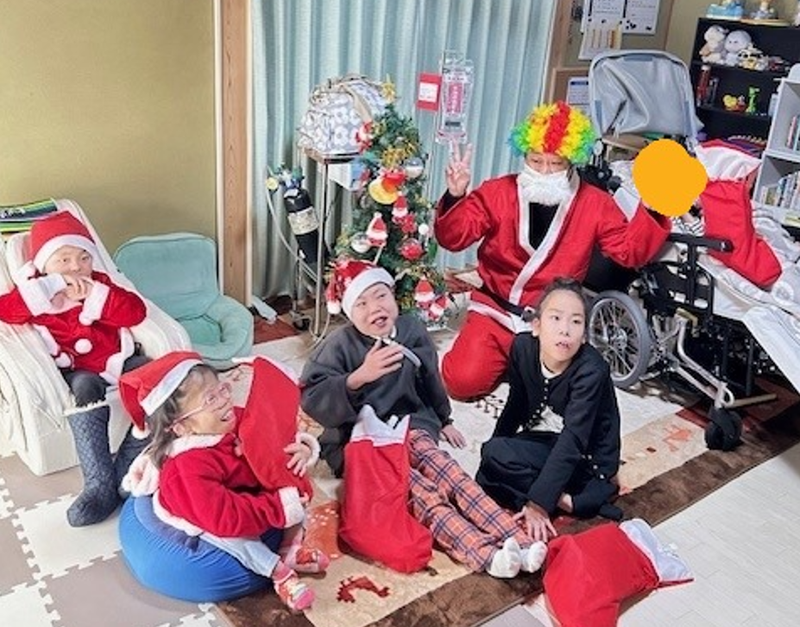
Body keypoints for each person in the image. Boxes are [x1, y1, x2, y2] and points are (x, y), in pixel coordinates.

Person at [300, 259, 547, 578]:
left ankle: (519, 540)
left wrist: (444, 419)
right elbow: (312, 396)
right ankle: (485, 554)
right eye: (361, 303)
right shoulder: (337, 347)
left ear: (393, 296)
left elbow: (430, 377)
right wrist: (357, 378)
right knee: (422, 493)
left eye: (381, 296)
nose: (375, 308)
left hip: (410, 422)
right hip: (362, 441)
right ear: (348, 311)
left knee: (450, 473)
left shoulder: (411, 329)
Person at [434, 101, 671, 400]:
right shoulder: (497, 191)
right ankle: (502, 357)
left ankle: (526, 362)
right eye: (536, 161)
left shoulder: (595, 203)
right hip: (495, 310)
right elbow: (452, 239)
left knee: (565, 395)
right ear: (524, 155)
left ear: (571, 161)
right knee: (461, 382)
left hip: (553, 319)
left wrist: (651, 208)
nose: (544, 171)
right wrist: (456, 195)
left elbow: (629, 253)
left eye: (555, 163)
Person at [118, 351, 328, 612]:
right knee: (238, 538)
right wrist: (278, 507)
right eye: (210, 399)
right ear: (181, 427)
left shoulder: (228, 419)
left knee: (291, 479)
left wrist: (302, 450)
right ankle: (280, 574)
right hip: (205, 516)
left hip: (235, 495)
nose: (224, 401)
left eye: (222, 390)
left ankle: (291, 548)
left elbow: (275, 436)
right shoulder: (186, 469)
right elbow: (225, 518)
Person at [0, 210, 150, 527]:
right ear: (45, 265)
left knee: (154, 376)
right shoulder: (36, 291)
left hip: (117, 358)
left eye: (84, 258)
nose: (76, 267)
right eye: (64, 260)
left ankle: (127, 467)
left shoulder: (101, 283)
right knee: (85, 387)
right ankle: (99, 485)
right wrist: (49, 287)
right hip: (77, 370)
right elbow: (7, 311)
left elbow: (135, 313)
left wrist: (98, 296)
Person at [475, 278, 622, 543]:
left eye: (575, 322)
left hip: (585, 454)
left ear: (584, 336)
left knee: (498, 461)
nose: (565, 330)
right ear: (536, 326)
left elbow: (574, 439)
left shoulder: (591, 370)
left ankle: (573, 498)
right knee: (487, 467)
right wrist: (495, 449)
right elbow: (515, 405)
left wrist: (539, 503)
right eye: (555, 318)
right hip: (546, 438)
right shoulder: (522, 348)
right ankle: (567, 499)